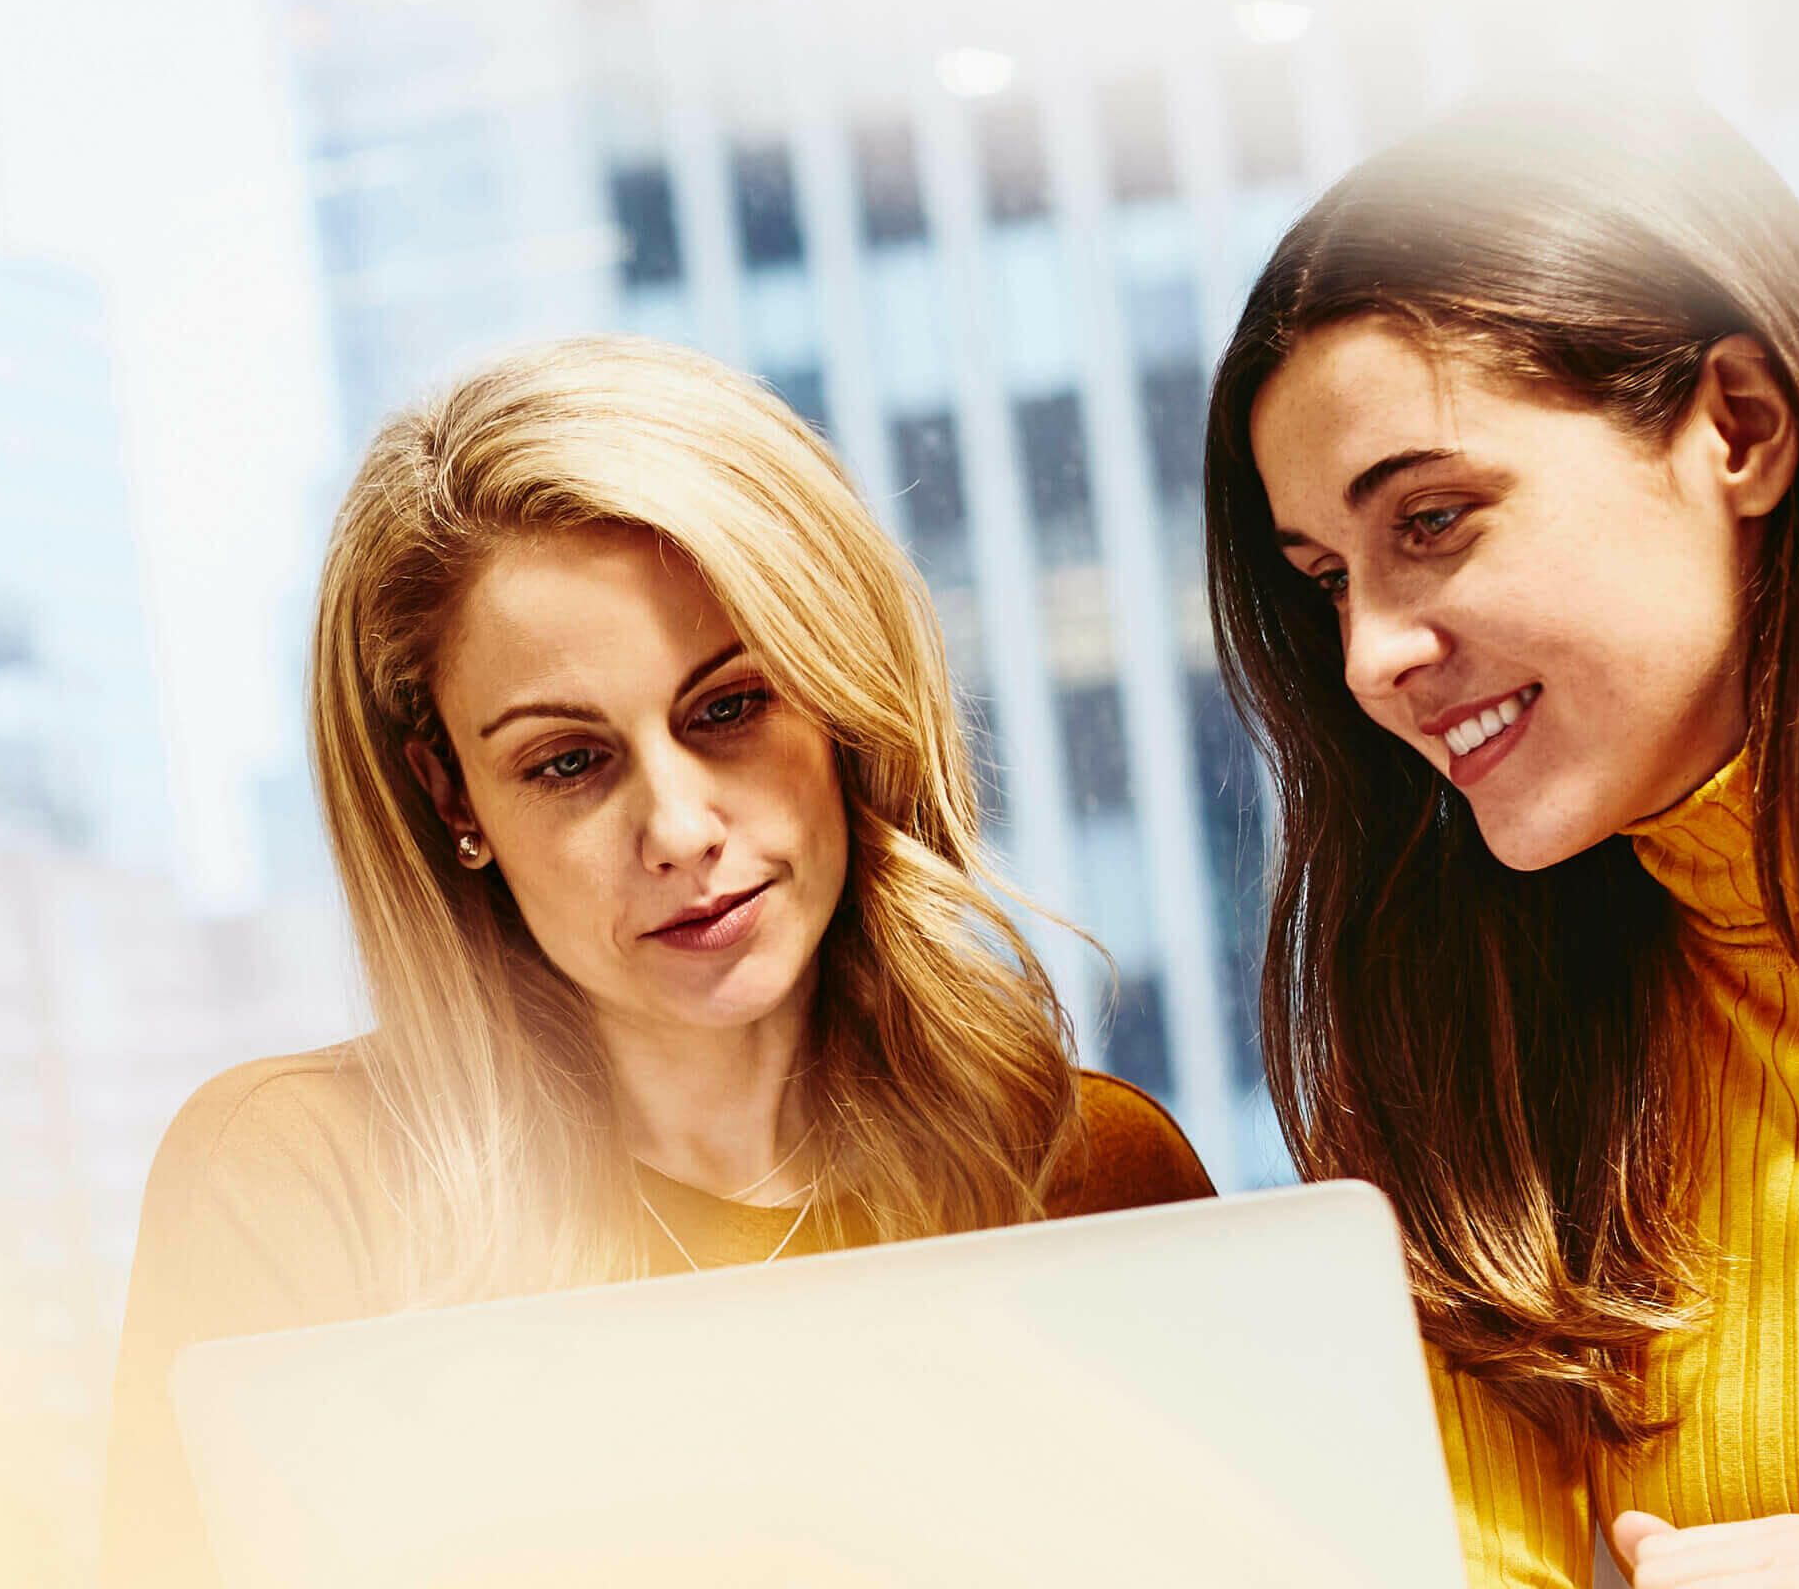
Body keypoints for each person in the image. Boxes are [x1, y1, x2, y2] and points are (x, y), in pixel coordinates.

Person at [100, 335, 1213, 1587]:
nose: (681, 830)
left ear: (842, 702)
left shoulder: (1084, 1172)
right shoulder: (307, 1180)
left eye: (731, 707)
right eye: (568, 761)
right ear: (452, 794)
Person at [1206, 92, 1799, 1589]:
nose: (1368, 657)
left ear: (1740, 430)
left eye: (1431, 518)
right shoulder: (1467, 1071)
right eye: (1324, 579)